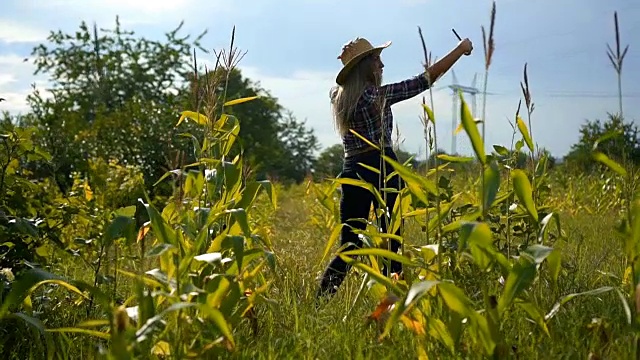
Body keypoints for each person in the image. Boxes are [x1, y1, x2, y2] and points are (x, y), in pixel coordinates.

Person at [316, 36, 473, 300]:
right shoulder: (374, 97)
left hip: (352, 170)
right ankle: (394, 303)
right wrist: (460, 49)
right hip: (381, 167)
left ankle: (320, 301)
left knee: (350, 246)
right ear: (365, 67)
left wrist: (348, 60)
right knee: (392, 241)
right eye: (376, 60)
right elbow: (424, 81)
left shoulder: (339, 99)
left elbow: (338, 86)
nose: (382, 65)